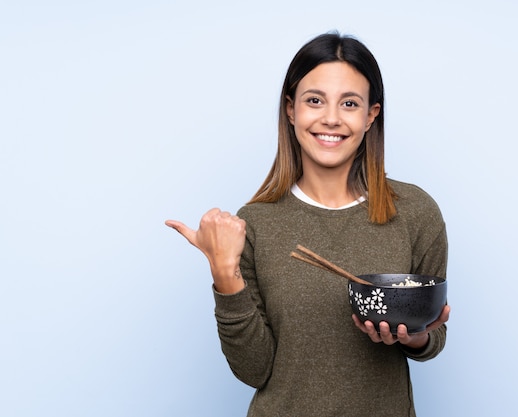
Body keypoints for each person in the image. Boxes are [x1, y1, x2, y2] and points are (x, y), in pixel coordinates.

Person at [165, 32, 450, 417]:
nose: (331, 118)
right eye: (314, 100)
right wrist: (223, 272)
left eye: (349, 103)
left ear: (370, 116)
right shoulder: (255, 223)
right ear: (291, 110)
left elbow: (433, 336)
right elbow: (254, 370)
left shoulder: (416, 211)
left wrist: (417, 337)